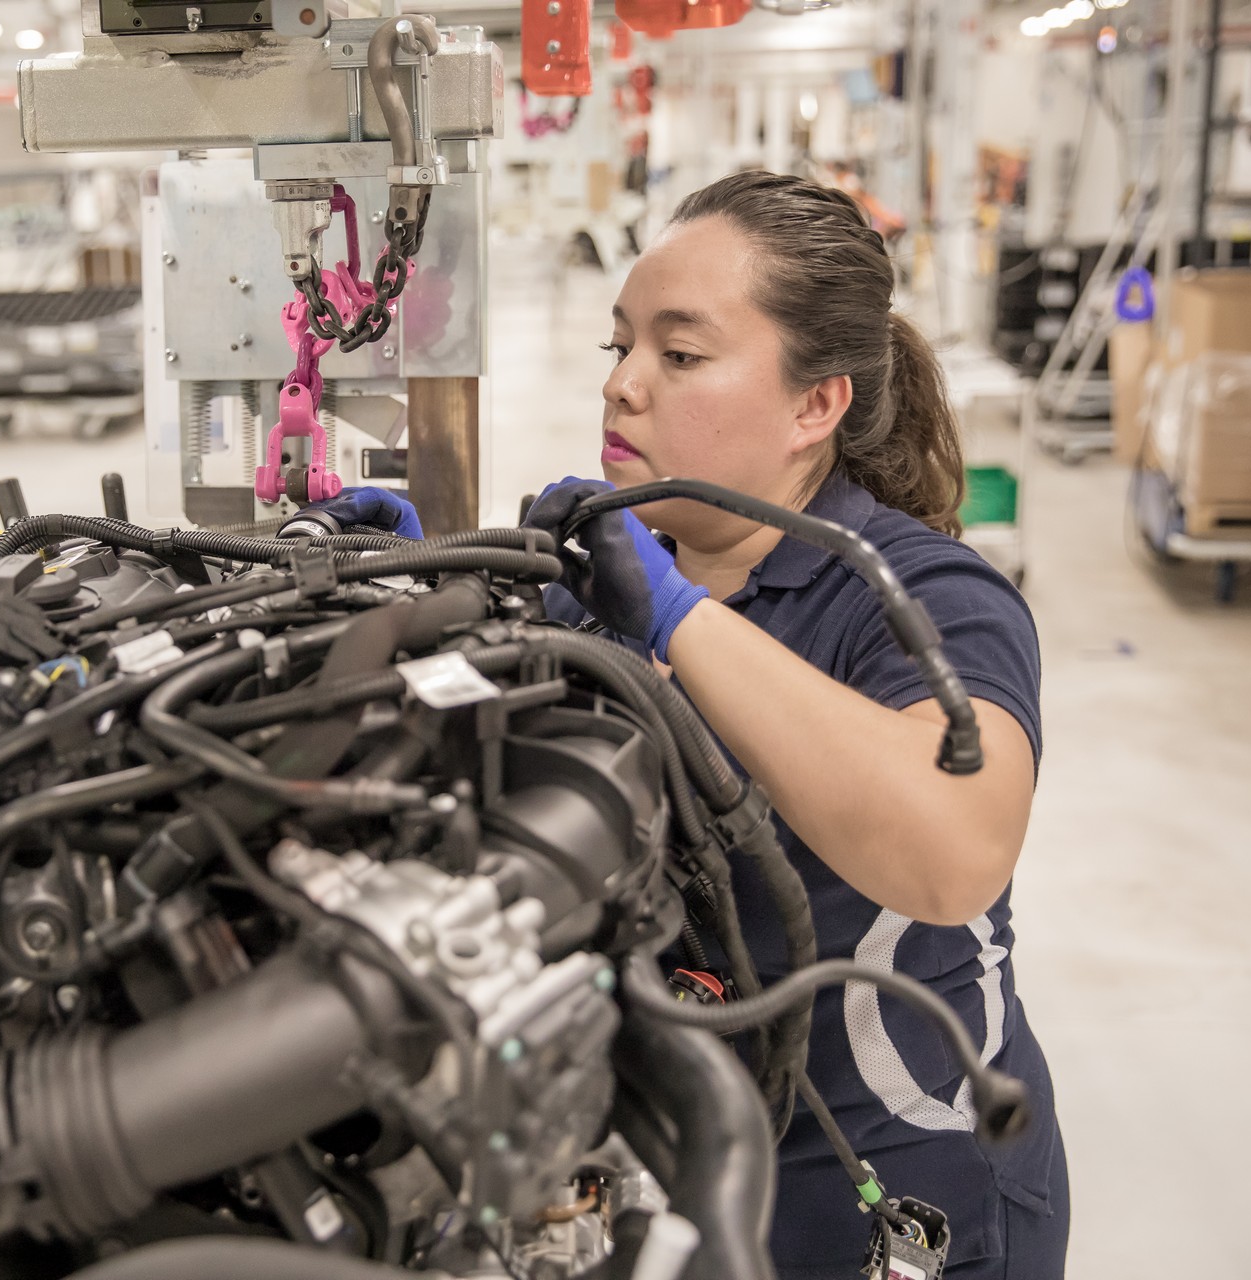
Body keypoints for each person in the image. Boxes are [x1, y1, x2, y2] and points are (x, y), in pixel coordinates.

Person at [298, 170, 1067, 1279]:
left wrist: (676, 618)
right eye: (619, 348)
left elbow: (953, 850)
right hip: (680, 1166)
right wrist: (413, 602)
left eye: (681, 353)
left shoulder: (924, 597)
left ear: (818, 404)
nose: (624, 386)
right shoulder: (599, 586)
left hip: (898, 1199)